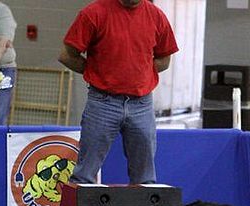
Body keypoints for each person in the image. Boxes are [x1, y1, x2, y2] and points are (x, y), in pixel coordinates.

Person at [58, 0, 179, 184]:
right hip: (102, 102)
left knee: (145, 178)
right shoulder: (93, 13)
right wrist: (97, 73)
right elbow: (67, 56)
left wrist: (140, 73)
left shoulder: (156, 16)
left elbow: (164, 59)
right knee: (84, 175)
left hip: (142, 104)